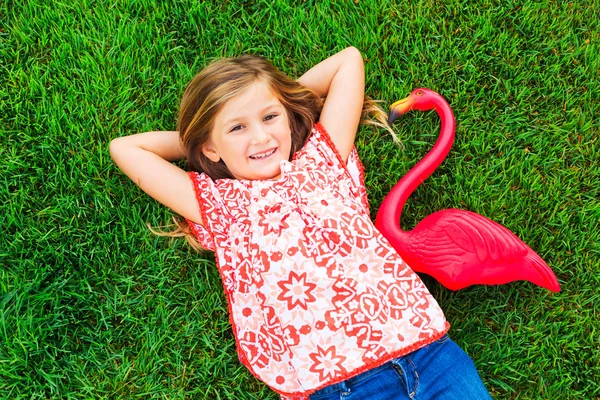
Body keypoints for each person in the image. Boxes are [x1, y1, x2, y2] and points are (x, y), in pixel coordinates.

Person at [110, 47, 491, 400]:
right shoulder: (222, 205)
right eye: (237, 128)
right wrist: (204, 134)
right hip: (342, 387)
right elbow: (125, 149)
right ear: (211, 148)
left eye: (270, 117)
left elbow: (348, 61)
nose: (261, 136)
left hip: (430, 352)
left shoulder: (324, 160)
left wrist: (279, 98)